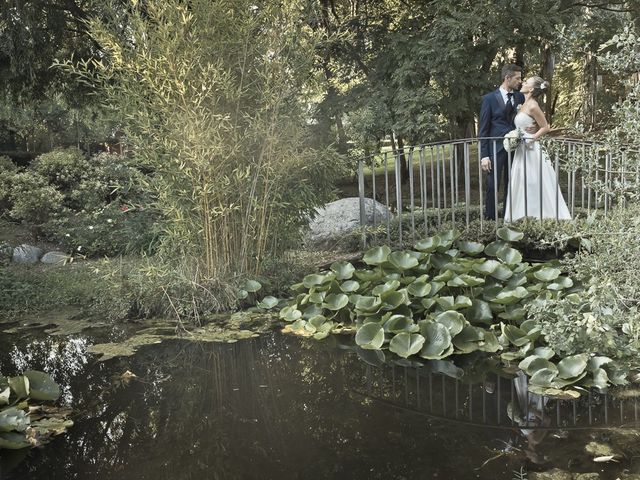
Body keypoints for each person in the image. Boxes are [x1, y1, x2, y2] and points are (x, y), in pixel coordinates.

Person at [504, 76, 571, 222]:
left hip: (531, 150)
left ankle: (539, 216)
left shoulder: (533, 105)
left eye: (526, 82)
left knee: (533, 182)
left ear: (531, 89)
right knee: (521, 182)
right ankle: (520, 217)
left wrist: (531, 138)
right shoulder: (523, 103)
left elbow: (546, 127)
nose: (523, 83)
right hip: (521, 151)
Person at [479, 64, 526, 220]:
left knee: (511, 184)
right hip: (494, 148)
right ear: (507, 78)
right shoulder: (489, 99)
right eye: (517, 78)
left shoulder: (520, 97)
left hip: (515, 148)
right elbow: (483, 130)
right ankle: (490, 219)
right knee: (492, 185)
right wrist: (484, 155)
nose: (520, 81)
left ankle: (508, 218)